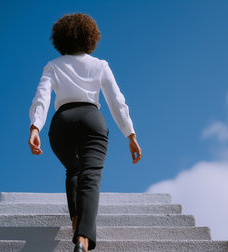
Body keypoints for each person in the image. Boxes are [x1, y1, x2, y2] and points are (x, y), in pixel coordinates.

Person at [27, 13, 142, 252]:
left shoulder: (53, 66)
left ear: (62, 38)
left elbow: (42, 96)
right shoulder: (99, 65)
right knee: (91, 174)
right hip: (91, 119)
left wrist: (35, 126)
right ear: (91, 37)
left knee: (74, 170)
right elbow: (116, 101)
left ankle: (76, 221)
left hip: (61, 123)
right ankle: (83, 239)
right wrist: (130, 134)